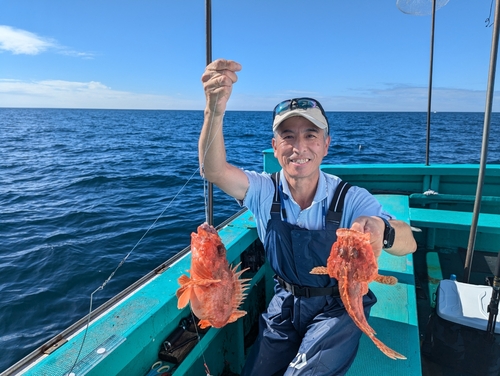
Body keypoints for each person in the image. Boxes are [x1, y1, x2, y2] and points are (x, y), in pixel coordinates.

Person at [199, 58, 417, 376]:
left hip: (338, 307)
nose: (299, 147)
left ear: (326, 145)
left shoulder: (351, 198)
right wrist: (214, 109)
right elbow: (213, 170)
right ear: (275, 147)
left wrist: (382, 229)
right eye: (288, 136)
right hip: (284, 302)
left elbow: (407, 243)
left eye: (311, 135)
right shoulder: (263, 190)